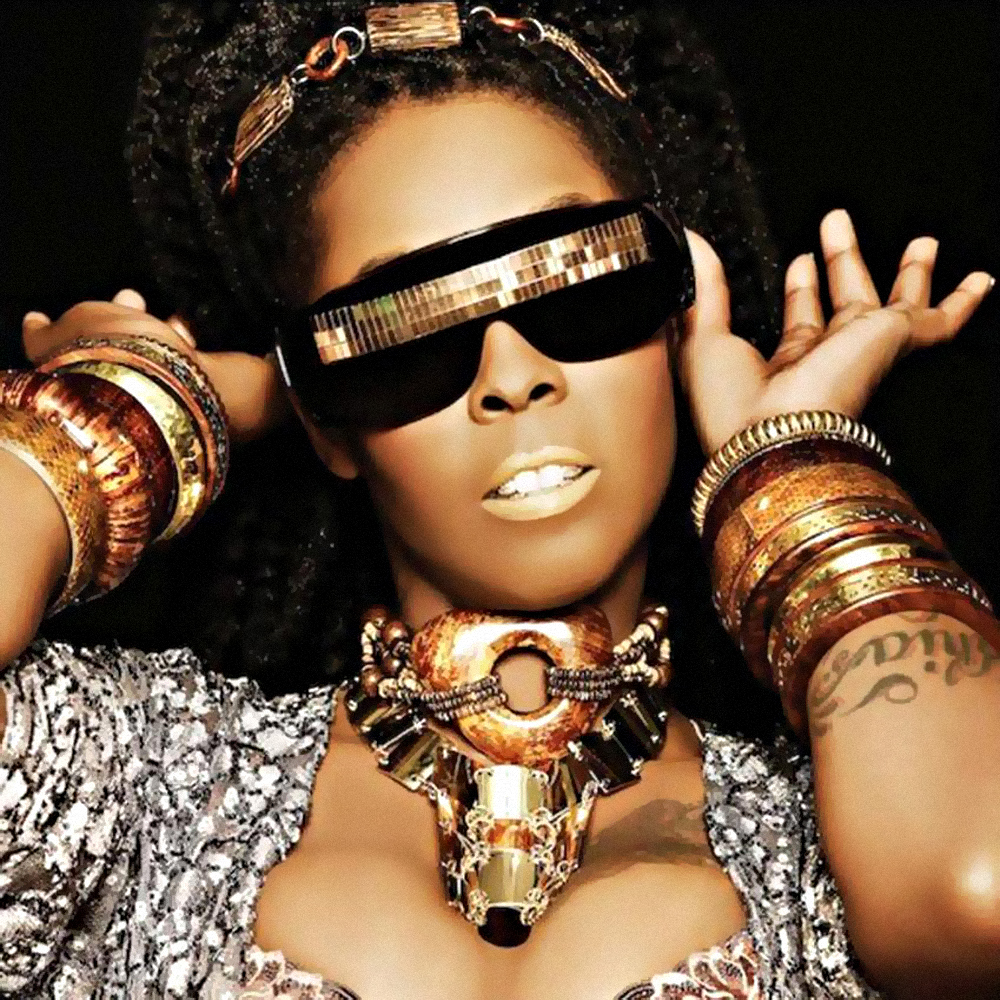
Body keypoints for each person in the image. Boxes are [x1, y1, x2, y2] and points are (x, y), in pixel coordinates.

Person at [0, 2, 998, 998]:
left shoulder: (833, 821)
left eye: (581, 286)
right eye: (401, 337)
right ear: (324, 418)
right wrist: (133, 410)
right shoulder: (148, 787)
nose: (512, 376)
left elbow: (973, 898)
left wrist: (791, 466)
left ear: (676, 319)